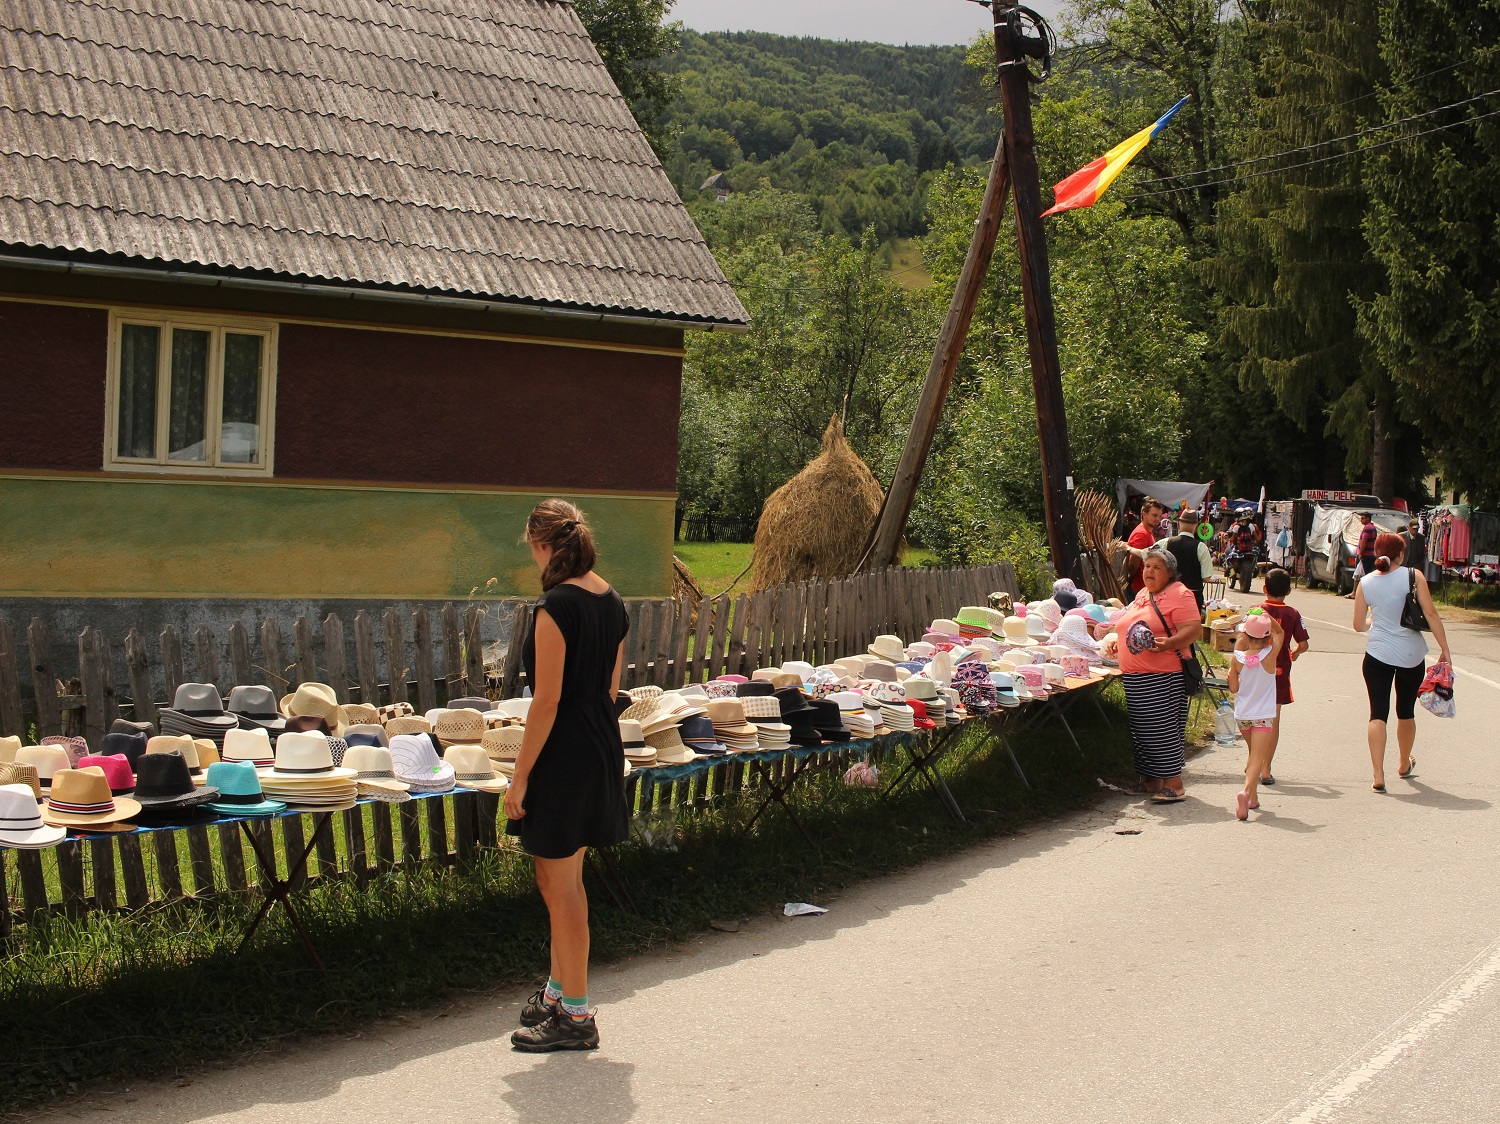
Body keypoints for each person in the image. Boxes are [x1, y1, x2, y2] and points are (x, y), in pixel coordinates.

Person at [504, 500, 631, 1051]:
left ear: (542, 545)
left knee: (563, 891)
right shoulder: (613, 600)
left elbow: (547, 700)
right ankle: (559, 992)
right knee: (560, 883)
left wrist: (519, 777)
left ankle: (576, 1017)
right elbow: (608, 688)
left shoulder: (553, 607)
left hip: (564, 755)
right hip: (600, 745)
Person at [1352, 531, 1452, 792]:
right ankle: (1403, 764)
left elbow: (1357, 626)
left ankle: (1377, 775)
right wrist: (1444, 649)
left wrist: (1373, 621)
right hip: (1410, 655)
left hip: (1377, 655)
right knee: (1405, 712)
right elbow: (1430, 613)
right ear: (1400, 554)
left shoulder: (1366, 582)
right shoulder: (1413, 576)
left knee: (1377, 714)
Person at [1101, 548, 1202, 803]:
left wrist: (1169, 644)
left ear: (1170, 572)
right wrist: (1118, 640)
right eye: (1147, 566)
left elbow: (1192, 630)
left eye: (1157, 567)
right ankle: (1151, 781)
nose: (1149, 571)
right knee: (1142, 731)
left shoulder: (1180, 594)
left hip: (1163, 675)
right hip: (1137, 675)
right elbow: (1130, 622)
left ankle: (1174, 783)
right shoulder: (1143, 593)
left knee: (1161, 729)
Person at [1228, 611, 1285, 820]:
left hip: (1242, 715)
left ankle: (1253, 797)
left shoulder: (1237, 658)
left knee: (1253, 754)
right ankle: (1245, 792)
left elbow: (1233, 688)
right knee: (1258, 758)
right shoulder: (1270, 655)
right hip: (1262, 715)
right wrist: (1266, 615)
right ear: (1267, 637)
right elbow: (1281, 634)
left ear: (1245, 635)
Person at [1257, 568, 1310, 785]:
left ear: (1264, 589)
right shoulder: (1293, 614)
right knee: (1274, 718)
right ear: (1289, 591)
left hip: (1255, 670)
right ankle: (1266, 768)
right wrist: (1294, 653)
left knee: (1255, 716)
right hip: (1279, 671)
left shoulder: (1256, 611)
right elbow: (1304, 644)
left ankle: (1253, 761)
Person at [1164, 507, 1215, 611]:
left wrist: (1129, 548)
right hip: (1193, 598)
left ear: (1178, 524)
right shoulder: (1201, 547)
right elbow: (1206, 577)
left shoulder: (1166, 542)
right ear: (1196, 528)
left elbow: (1146, 553)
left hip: (1169, 596)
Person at [1126, 498, 1166, 594]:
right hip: (1138, 587)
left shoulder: (1148, 532)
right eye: (1154, 515)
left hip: (1144, 585)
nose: (1157, 519)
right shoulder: (1141, 533)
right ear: (1144, 514)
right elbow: (1134, 562)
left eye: (1160, 516)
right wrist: (1129, 578)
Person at [1347, 512, 1379, 598]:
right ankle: (1355, 592)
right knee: (1360, 574)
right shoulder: (1372, 527)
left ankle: (1358, 593)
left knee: (1363, 575)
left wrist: (1360, 553)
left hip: (1366, 555)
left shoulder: (1368, 528)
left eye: (1363, 518)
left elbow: (1364, 541)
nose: (1361, 520)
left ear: (1368, 518)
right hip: (1370, 554)